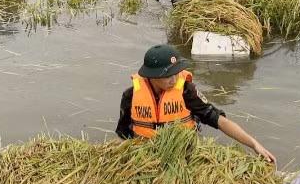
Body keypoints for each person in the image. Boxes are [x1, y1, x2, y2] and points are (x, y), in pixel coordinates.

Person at [116, 44, 276, 163]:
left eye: (176, 73)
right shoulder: (131, 96)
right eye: (167, 76)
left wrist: (254, 144)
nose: (174, 79)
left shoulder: (186, 91)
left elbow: (219, 120)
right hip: (145, 158)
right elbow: (123, 134)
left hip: (182, 154)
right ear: (151, 76)